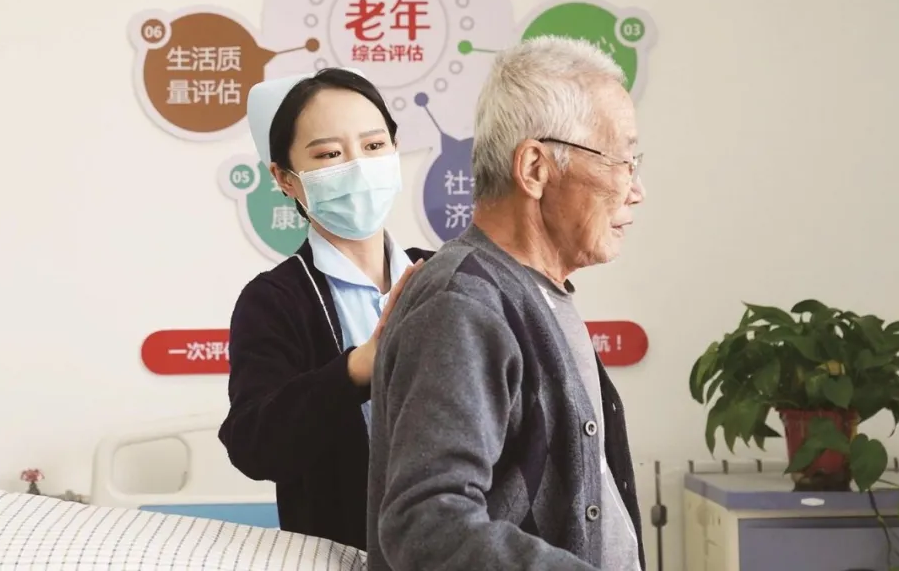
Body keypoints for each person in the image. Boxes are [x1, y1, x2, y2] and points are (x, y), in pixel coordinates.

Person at [366, 36, 648, 570]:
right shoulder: (462, 304)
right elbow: (426, 523)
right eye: (622, 161)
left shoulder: (534, 292)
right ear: (536, 168)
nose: (637, 190)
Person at [218, 67, 432, 551]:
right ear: (284, 178)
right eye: (330, 154)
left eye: (374, 146)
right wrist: (358, 368)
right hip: (341, 554)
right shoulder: (275, 300)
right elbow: (254, 445)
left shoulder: (444, 275)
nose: (358, 166)